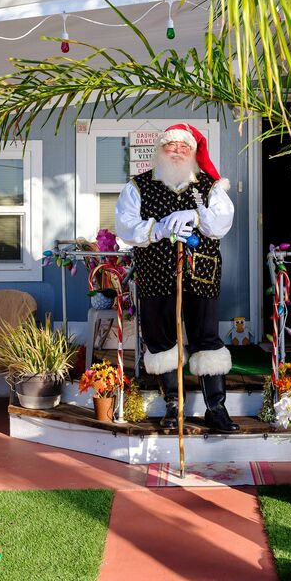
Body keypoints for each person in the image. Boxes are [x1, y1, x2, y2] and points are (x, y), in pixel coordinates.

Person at [115, 123, 239, 432]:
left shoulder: (210, 186)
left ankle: (216, 407)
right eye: (171, 146)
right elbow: (125, 226)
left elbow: (221, 224)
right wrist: (157, 229)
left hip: (202, 271)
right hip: (156, 270)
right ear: (160, 150)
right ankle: (173, 404)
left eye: (185, 147)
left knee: (206, 337)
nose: (178, 152)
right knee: (161, 339)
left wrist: (196, 216)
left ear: (193, 153)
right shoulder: (138, 186)